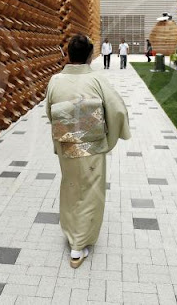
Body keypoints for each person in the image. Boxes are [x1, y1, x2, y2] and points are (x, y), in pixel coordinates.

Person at [46, 34, 131, 268]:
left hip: (67, 145)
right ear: (90, 56)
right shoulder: (97, 80)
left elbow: (50, 113)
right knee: (91, 193)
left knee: (71, 188)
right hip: (92, 147)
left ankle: (71, 232)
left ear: (68, 54)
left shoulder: (55, 80)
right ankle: (78, 246)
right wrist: (109, 140)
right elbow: (118, 111)